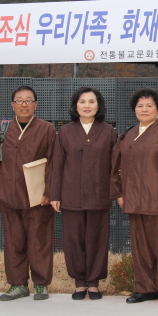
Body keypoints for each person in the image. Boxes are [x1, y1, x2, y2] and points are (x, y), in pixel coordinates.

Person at [112, 88, 158, 304]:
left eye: (149, 106)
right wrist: (119, 193)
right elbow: (115, 168)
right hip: (134, 199)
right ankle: (146, 288)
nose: (144, 109)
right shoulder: (127, 135)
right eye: (140, 106)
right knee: (141, 247)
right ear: (134, 109)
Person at [0, 85, 56, 301]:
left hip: (38, 197)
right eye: (19, 100)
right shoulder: (3, 129)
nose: (24, 104)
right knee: (13, 241)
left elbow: (54, 162)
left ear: (35, 105)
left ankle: (41, 284)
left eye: (28, 100)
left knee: (39, 241)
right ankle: (17, 284)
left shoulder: (46, 129)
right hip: (9, 196)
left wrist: (49, 191)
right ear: (12, 105)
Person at [50, 87, 117, 300]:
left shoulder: (108, 131)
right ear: (75, 106)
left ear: (99, 106)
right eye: (82, 101)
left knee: (97, 239)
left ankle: (94, 283)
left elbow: (116, 166)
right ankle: (79, 282)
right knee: (74, 240)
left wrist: (116, 192)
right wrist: (54, 194)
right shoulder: (65, 132)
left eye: (91, 101)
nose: (87, 105)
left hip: (99, 195)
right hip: (71, 195)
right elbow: (57, 165)